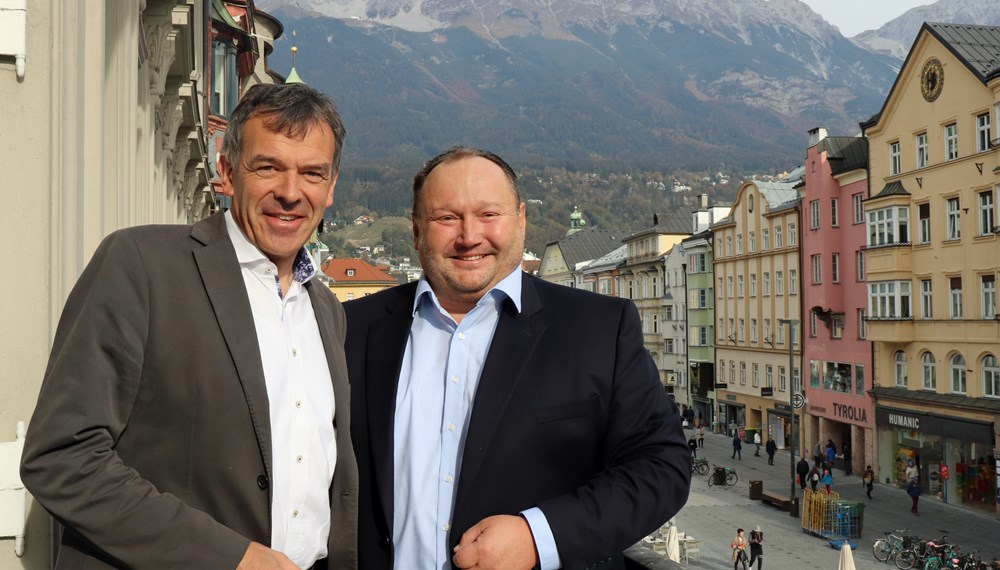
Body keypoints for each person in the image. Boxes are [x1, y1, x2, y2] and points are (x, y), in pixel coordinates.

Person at [18, 84, 358, 569]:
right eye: (268, 167)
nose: (290, 191)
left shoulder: (327, 310)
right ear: (226, 172)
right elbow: (61, 457)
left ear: (331, 187)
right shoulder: (141, 265)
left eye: (312, 174)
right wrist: (230, 558)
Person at [344, 146, 691, 570]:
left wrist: (539, 536)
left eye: (489, 215)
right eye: (446, 218)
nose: (469, 236)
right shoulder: (350, 329)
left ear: (521, 220)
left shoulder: (599, 328)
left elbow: (662, 466)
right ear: (416, 230)